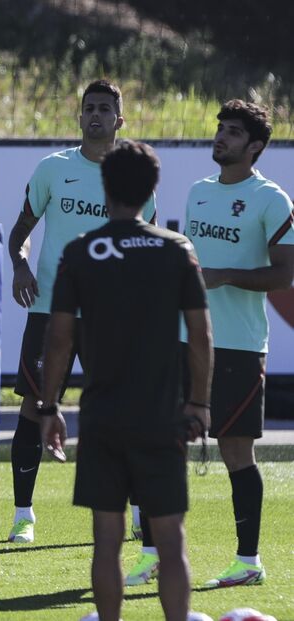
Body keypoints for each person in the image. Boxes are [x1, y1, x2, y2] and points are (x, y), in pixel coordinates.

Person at [39, 140, 212, 621]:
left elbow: (58, 338)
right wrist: (199, 403)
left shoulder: (80, 252)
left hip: (102, 415)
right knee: (171, 538)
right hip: (161, 415)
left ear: (105, 184)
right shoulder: (177, 250)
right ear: (152, 190)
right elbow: (200, 333)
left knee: (107, 539)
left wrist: (49, 408)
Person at [127, 100, 294, 589]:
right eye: (220, 129)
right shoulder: (198, 192)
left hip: (239, 345)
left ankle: (248, 561)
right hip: (182, 338)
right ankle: (154, 553)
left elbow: (286, 274)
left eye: (234, 132)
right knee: (164, 447)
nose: (221, 137)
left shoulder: (272, 200)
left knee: (235, 453)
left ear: (256, 146)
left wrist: (225, 276)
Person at [6, 79, 157, 543]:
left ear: (119, 120)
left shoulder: (133, 177)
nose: (96, 115)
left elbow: (145, 248)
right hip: (51, 309)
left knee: (120, 413)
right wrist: (21, 265)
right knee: (33, 408)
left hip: (110, 318)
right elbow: (20, 231)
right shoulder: (53, 168)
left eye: (105, 109)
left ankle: (137, 511)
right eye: (89, 107)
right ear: (80, 116)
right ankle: (23, 516)